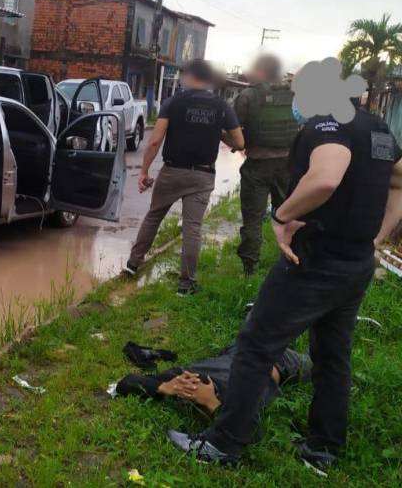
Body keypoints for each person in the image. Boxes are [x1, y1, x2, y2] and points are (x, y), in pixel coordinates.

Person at [168, 105, 402, 470]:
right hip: (355, 266)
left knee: (256, 347)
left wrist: (282, 216)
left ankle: (223, 445)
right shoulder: (378, 129)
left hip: (313, 261)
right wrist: (376, 238)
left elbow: (326, 177)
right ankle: (323, 452)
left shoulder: (329, 124)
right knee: (332, 357)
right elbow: (399, 179)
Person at [124, 59, 244, 295]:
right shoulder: (221, 106)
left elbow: (155, 140)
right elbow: (239, 142)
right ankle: (185, 284)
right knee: (192, 228)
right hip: (202, 175)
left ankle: (133, 264)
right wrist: (217, 133)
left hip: (171, 172)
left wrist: (145, 171)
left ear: (189, 77)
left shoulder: (173, 102)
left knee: (153, 216)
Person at [234, 55, 300, 275]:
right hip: (288, 165)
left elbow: (232, 128)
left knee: (253, 219)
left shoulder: (248, 96)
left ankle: (249, 270)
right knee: (292, 214)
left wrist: (235, 143)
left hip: (258, 165)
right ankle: (296, 260)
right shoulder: (295, 94)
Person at [116, 344, 311, 415]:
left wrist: (166, 385)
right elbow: (247, 434)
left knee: (266, 313)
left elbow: (126, 382)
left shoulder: (184, 376)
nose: (191, 386)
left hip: (246, 345)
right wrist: (166, 387)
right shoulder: (236, 398)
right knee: (322, 360)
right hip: (282, 362)